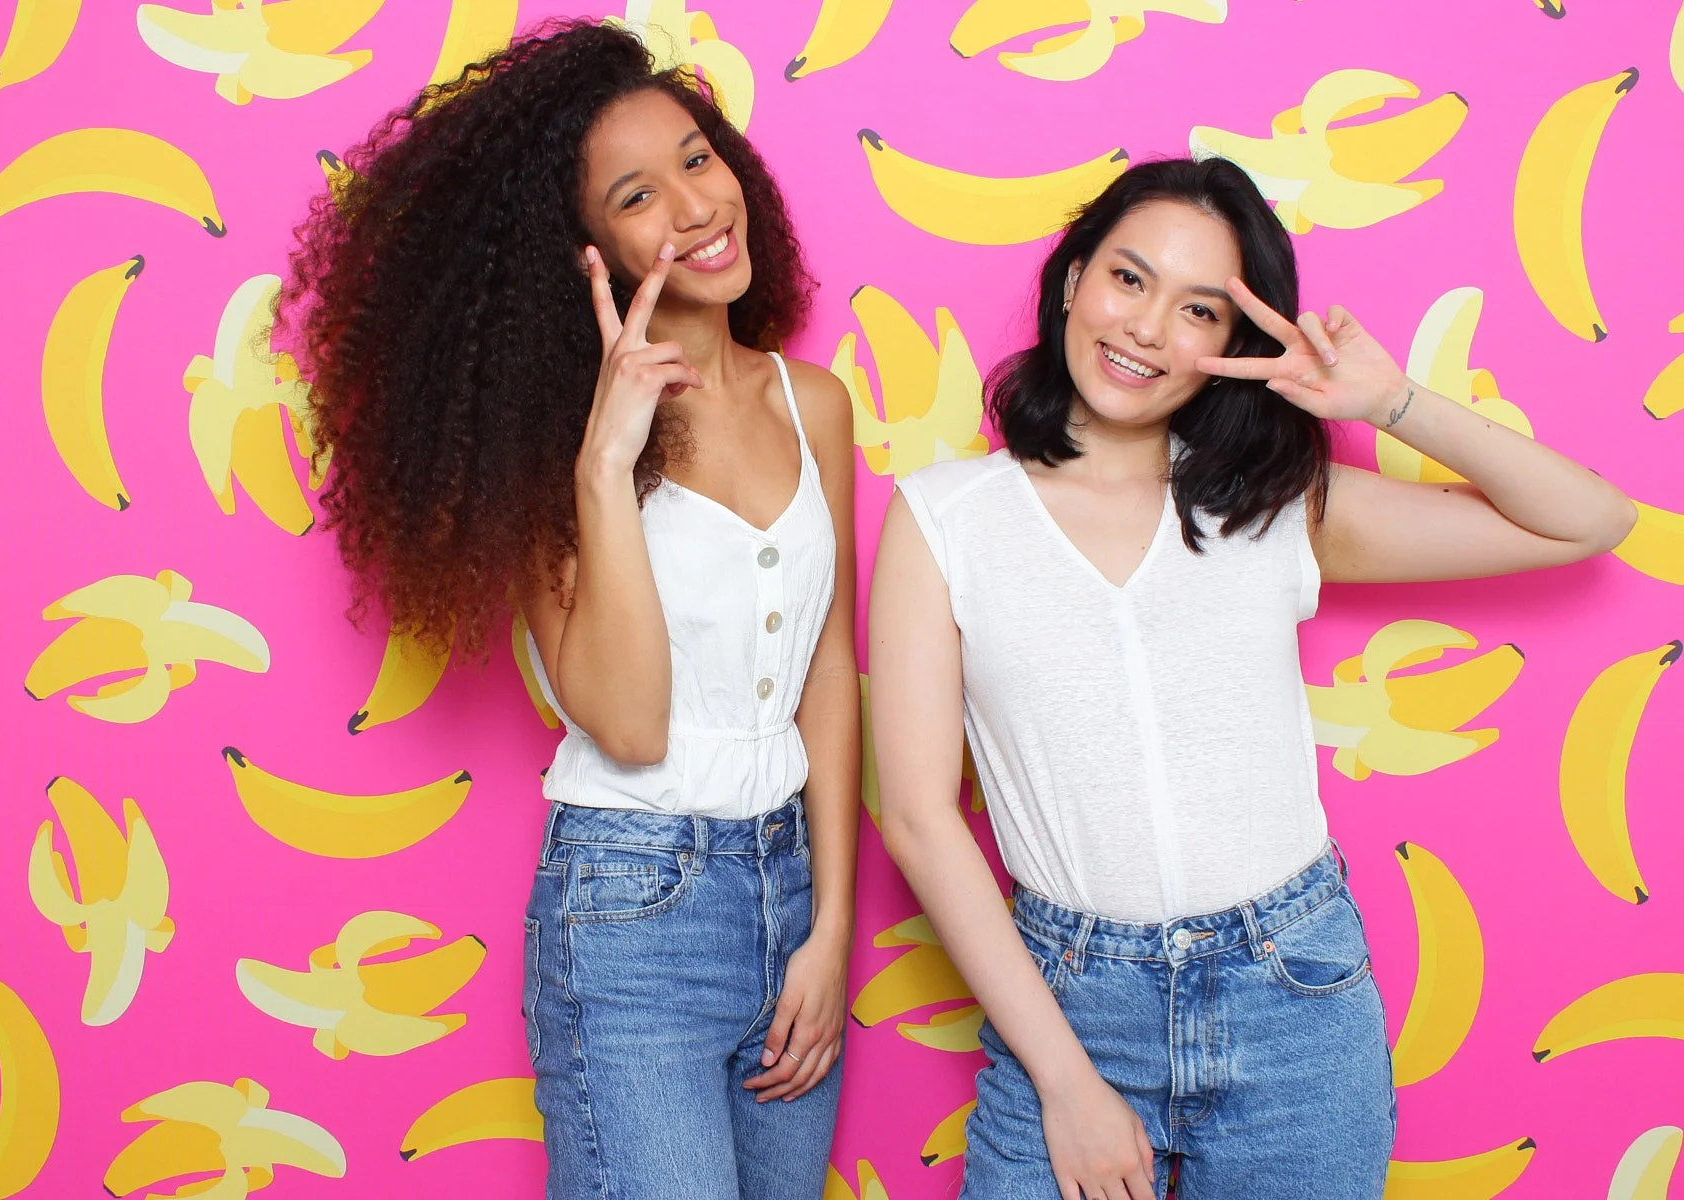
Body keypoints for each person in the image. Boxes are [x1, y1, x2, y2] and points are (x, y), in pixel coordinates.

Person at [866, 156, 1634, 1200]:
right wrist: (1067, 1083)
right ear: (1071, 281)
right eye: (1128, 280)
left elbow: (1590, 521)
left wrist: (1393, 400)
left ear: (1232, 347)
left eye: (1197, 311)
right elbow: (915, 815)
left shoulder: (1275, 507)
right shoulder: (945, 518)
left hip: (1293, 997)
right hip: (1066, 1001)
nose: (1144, 328)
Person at [279, 21, 859, 1198]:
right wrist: (606, 463)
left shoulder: (817, 404)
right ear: (587, 249)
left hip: (788, 890)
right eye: (640, 194)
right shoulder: (558, 452)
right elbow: (632, 726)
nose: (699, 207)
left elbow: (828, 669)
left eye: (699, 158)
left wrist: (833, 922)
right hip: (631, 916)